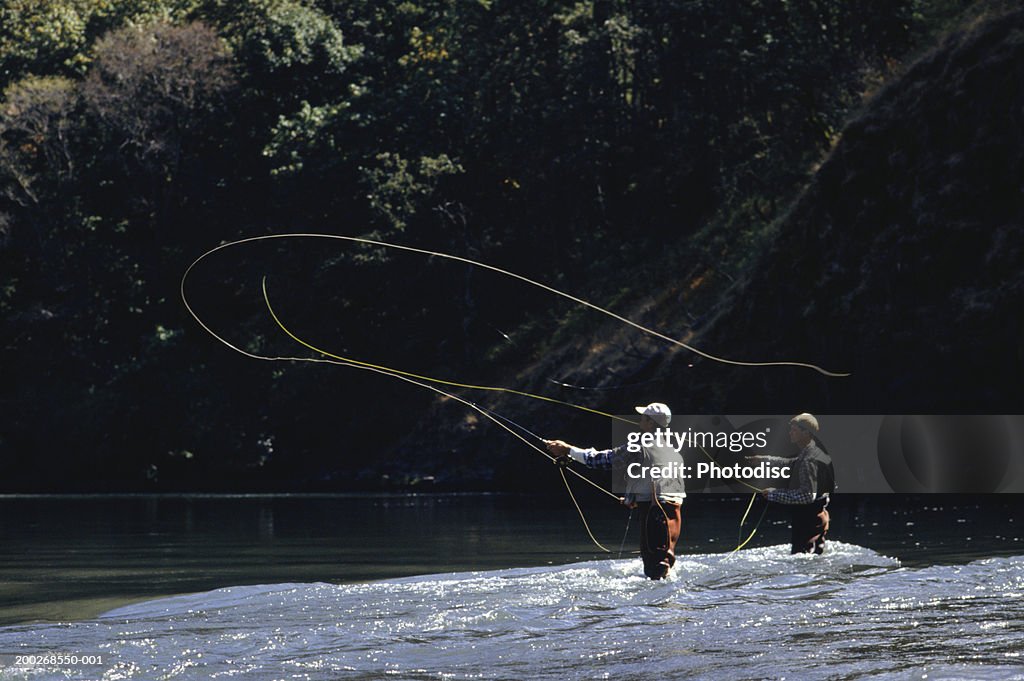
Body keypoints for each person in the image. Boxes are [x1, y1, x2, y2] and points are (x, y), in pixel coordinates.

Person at [545, 402, 684, 579]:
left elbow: (603, 460)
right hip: (672, 514)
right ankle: (665, 603)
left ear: (650, 423)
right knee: (664, 561)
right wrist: (633, 498)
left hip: (655, 512)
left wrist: (568, 450)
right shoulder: (673, 452)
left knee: (656, 567)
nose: (640, 421)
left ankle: (659, 605)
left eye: (643, 418)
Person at [749, 413, 835, 554]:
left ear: (806, 432)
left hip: (808, 522)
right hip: (819, 518)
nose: (790, 433)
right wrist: (764, 460)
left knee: (804, 563)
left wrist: (774, 494)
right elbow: (793, 463)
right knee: (816, 559)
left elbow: (807, 496)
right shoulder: (813, 452)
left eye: (794, 430)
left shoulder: (809, 460)